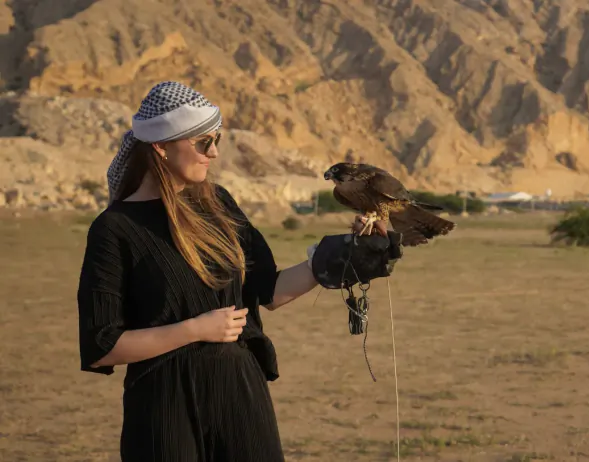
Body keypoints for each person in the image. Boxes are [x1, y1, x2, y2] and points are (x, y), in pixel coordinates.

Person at [76, 81, 402, 462]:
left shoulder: (220, 206)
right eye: (201, 142)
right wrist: (194, 330)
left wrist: (345, 255)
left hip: (240, 396)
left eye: (217, 139)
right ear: (161, 147)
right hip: (164, 404)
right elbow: (101, 346)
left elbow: (270, 290)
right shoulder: (114, 228)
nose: (213, 152)